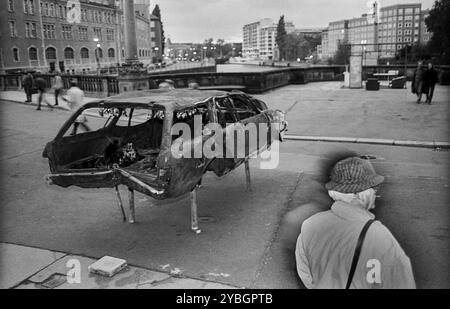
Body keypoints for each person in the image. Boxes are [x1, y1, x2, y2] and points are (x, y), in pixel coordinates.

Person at [295, 157, 416, 289]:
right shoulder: (380, 237)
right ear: (358, 195)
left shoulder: (310, 225)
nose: (376, 194)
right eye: (373, 189)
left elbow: (306, 275)